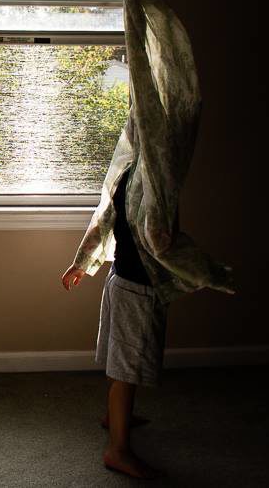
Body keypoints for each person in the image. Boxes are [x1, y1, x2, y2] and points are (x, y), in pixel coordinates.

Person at [62, 165, 166, 479]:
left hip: (119, 279)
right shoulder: (153, 183)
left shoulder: (126, 175)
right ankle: (117, 450)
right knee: (127, 371)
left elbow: (104, 219)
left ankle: (114, 417)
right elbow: (161, 239)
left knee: (117, 359)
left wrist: (81, 263)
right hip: (136, 286)